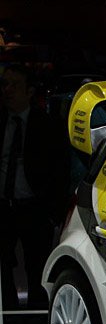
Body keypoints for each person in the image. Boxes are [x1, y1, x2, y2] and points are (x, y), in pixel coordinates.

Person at [0, 64, 71, 310]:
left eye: (15, 85)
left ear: (29, 91)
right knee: (3, 266)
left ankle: (37, 317)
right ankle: (7, 315)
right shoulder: (2, 122)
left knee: (37, 266)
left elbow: (60, 171)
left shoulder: (48, 125)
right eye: (4, 84)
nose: (8, 90)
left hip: (35, 207)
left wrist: (54, 212)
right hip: (3, 206)